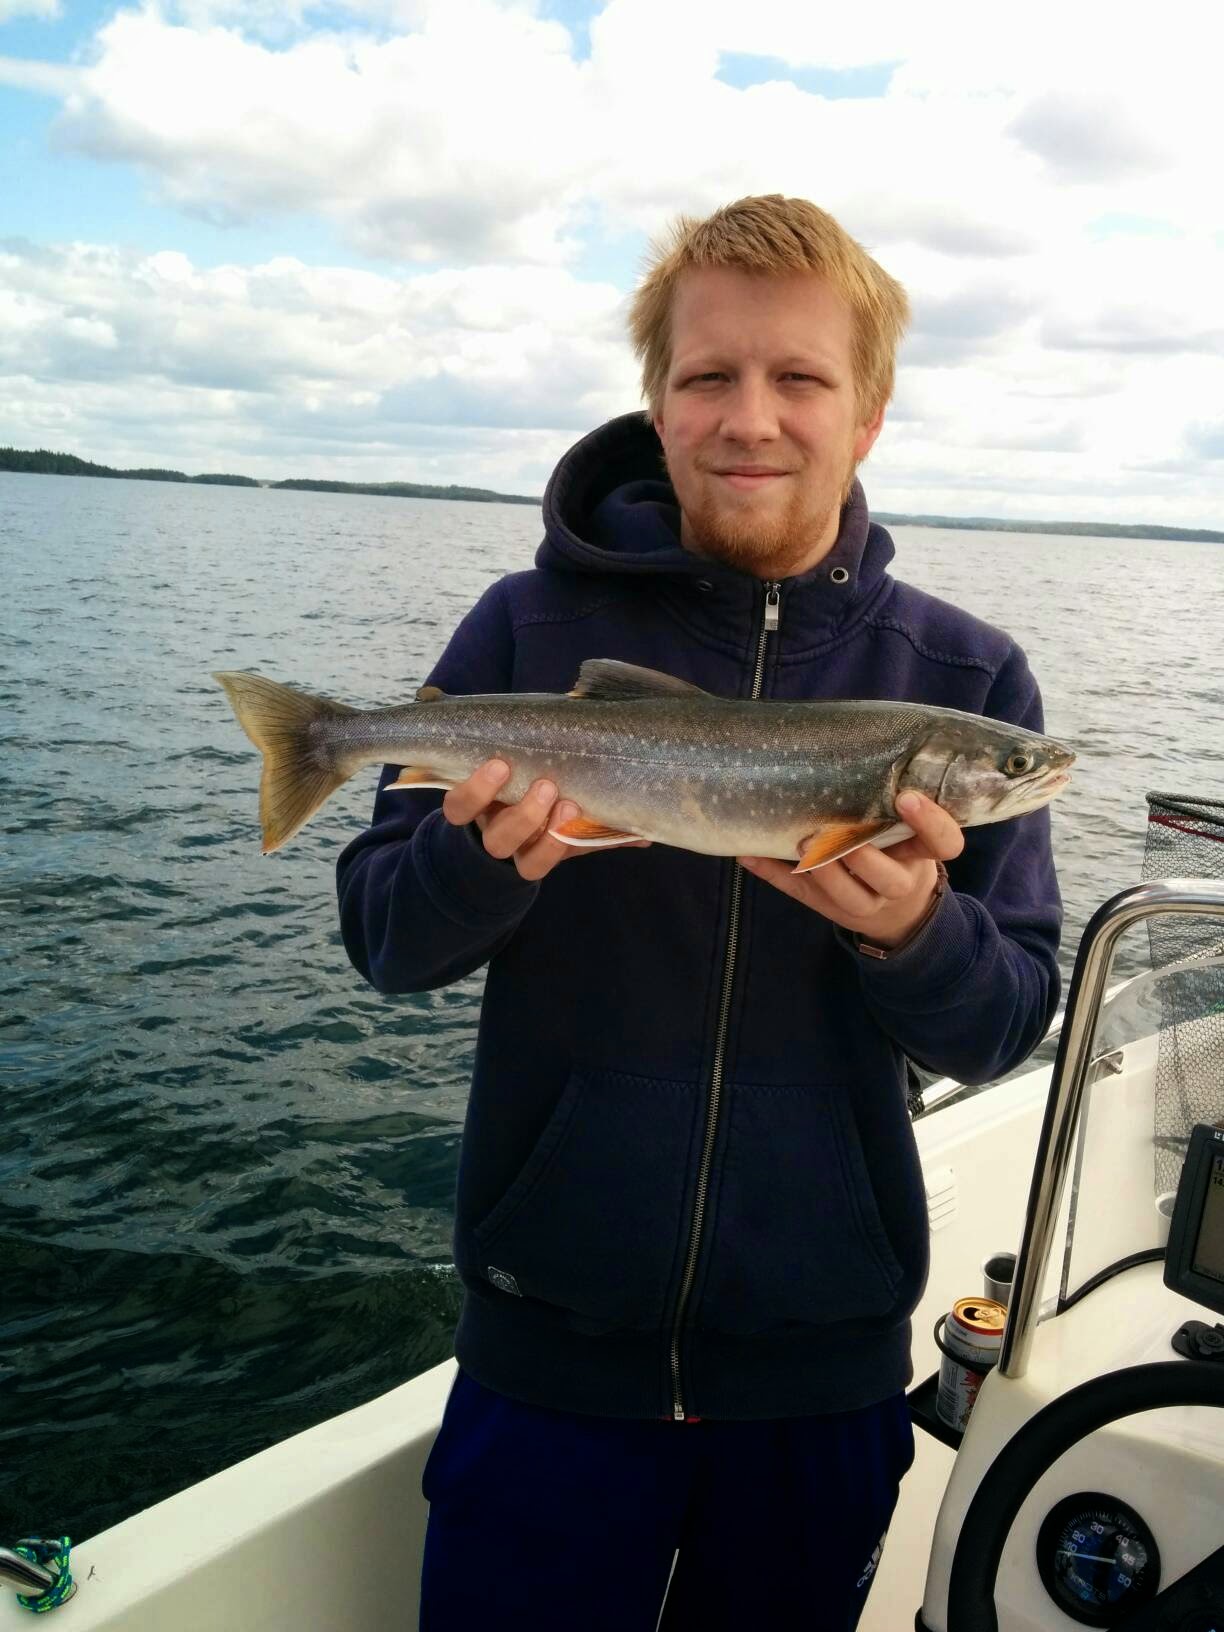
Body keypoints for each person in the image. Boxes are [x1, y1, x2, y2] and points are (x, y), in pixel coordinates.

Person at [336, 194, 1063, 1630]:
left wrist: (913, 934)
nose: (751, 418)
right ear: (658, 405)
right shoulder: (527, 631)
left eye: (801, 378)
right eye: (709, 376)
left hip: (821, 1371)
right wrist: (485, 865)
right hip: (548, 1358)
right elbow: (387, 941)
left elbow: (1005, 1026)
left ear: (867, 416)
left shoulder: (967, 682)